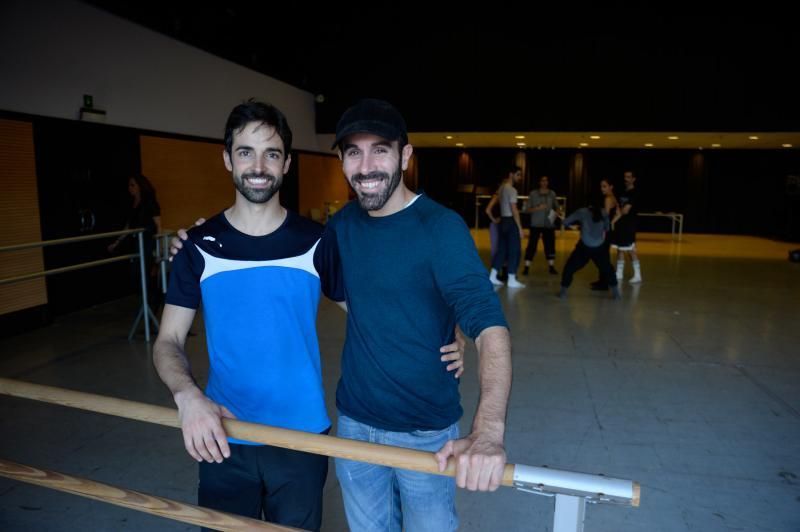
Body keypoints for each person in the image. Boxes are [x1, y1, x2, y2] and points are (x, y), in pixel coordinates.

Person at [155, 100, 466, 531]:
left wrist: (450, 330)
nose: (259, 166)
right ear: (227, 159)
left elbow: (375, 313)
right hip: (222, 434)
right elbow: (168, 341)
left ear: (286, 165)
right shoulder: (197, 247)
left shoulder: (318, 242)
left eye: (272, 154)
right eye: (245, 152)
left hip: (301, 437)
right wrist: (187, 398)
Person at [326, 98, 512, 532]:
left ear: (405, 156)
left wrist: (487, 433)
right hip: (355, 425)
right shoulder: (340, 227)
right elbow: (311, 275)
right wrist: (201, 239)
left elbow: (490, 327)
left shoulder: (440, 228)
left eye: (380, 150)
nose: (366, 166)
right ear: (341, 160)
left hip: (426, 433)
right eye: (353, 152)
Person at [108, 173, 162, 308]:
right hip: (137, 244)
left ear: (140, 186)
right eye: (129, 185)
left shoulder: (150, 202)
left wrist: (158, 248)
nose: (130, 188)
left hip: (148, 243)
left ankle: (153, 308)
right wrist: (117, 242)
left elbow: (158, 226)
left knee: (149, 276)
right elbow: (128, 227)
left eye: (133, 185)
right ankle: (148, 307)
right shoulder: (132, 204)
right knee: (138, 276)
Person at [559, 191, 621, 300]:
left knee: (569, 267)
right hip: (599, 247)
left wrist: (576, 227)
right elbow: (607, 229)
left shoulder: (582, 212)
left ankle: (563, 292)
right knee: (607, 269)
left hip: (584, 247)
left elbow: (565, 222)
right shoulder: (604, 213)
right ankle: (616, 294)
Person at [488, 167, 525, 288]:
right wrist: (519, 227)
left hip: (503, 221)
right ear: (511, 174)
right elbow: (514, 209)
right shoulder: (512, 190)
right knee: (515, 250)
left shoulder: (501, 188)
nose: (519, 177)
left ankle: (492, 276)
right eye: (518, 175)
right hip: (510, 222)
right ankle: (512, 279)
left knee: (502, 250)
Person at [523, 175, 559, 275]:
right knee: (532, 246)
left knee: (550, 246)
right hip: (535, 224)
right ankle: (526, 267)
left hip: (549, 225)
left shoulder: (552, 194)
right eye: (542, 180)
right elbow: (526, 210)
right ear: (539, 182)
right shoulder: (533, 194)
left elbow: (557, 207)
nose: (544, 182)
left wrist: (556, 213)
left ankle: (551, 266)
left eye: (546, 180)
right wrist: (537, 208)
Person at [611, 170, 642, 283]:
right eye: (625, 177)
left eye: (629, 177)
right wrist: (615, 218)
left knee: (630, 250)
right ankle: (619, 273)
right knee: (620, 249)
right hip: (621, 224)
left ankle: (638, 275)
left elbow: (625, 210)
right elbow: (619, 207)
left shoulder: (635, 192)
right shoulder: (624, 192)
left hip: (629, 224)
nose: (626, 179)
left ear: (633, 179)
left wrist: (616, 218)